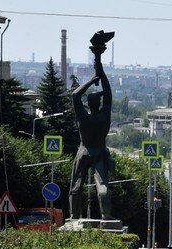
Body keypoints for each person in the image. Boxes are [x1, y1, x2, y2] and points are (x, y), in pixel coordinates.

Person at [69, 32, 115, 220]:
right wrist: (99, 64)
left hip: (83, 151)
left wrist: (89, 82)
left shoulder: (83, 117)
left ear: (89, 104)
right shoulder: (104, 116)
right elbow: (108, 91)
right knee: (102, 185)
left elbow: (75, 96)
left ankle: (74, 216)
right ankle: (107, 216)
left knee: (76, 185)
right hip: (98, 152)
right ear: (100, 103)